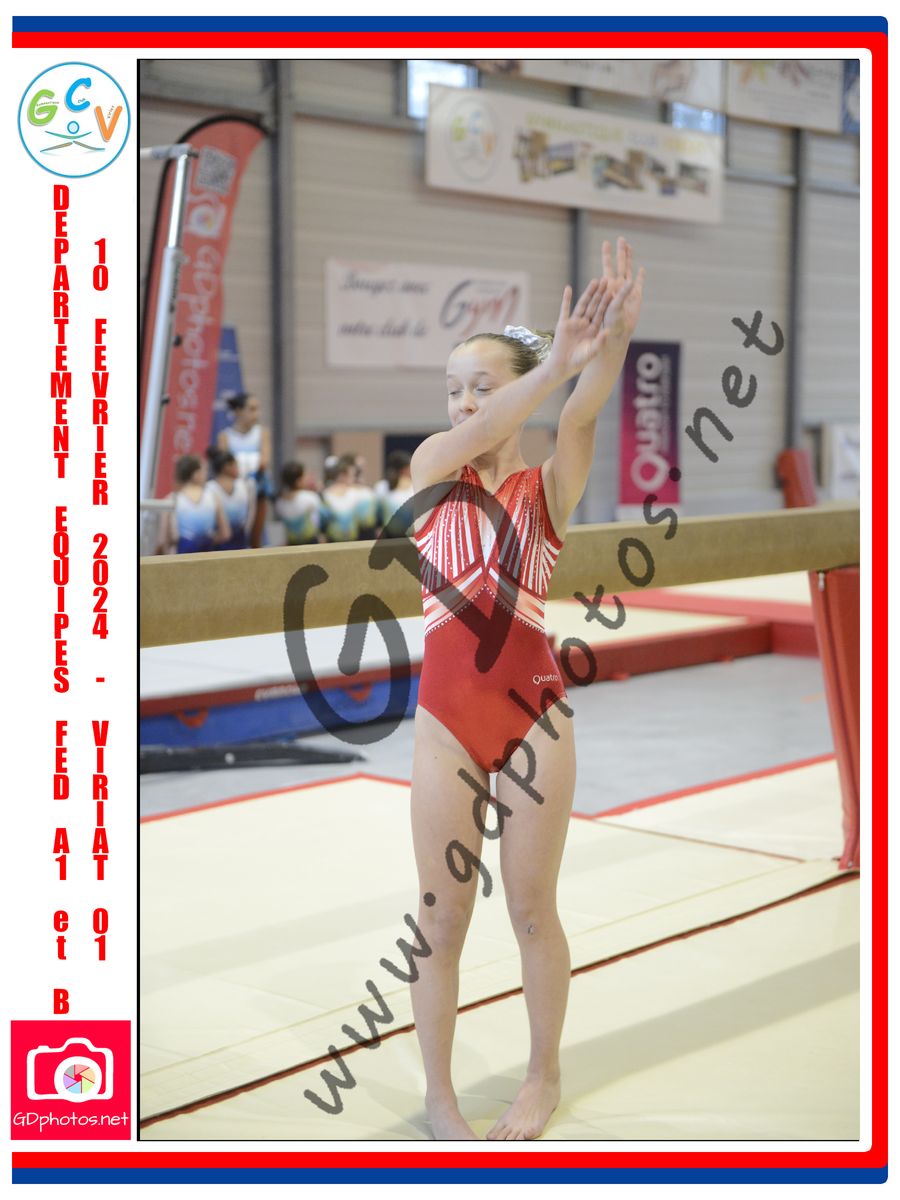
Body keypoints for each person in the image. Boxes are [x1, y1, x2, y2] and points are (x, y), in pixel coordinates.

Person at [408, 238, 645, 1141]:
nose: (465, 403)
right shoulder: (436, 469)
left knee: (531, 910)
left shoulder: (547, 489)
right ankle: (439, 1095)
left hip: (533, 717)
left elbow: (579, 417)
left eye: (481, 385)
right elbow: (489, 427)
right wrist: (552, 366)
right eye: (455, 388)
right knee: (442, 917)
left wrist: (609, 345)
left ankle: (543, 1074)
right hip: (445, 723)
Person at [217, 392, 272, 547]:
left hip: (258, 487)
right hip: (233, 491)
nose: (257, 414)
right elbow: (223, 466)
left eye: (258, 409)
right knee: (233, 534)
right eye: (252, 409)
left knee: (255, 537)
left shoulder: (262, 433)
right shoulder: (225, 436)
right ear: (238, 411)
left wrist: (239, 464)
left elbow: (265, 461)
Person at [158, 454, 230, 554]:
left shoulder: (172, 499)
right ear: (196, 475)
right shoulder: (213, 497)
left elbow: (163, 541)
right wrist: (207, 541)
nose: (206, 474)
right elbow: (225, 534)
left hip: (182, 556)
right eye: (204, 471)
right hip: (207, 554)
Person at [205, 446, 256, 551]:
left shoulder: (244, 485)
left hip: (239, 540)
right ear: (226, 467)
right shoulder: (210, 489)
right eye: (235, 465)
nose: (238, 468)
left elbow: (250, 515)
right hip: (221, 542)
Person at [275, 461, 323, 545]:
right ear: (298, 481)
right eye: (304, 476)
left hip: (291, 543)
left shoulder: (280, 502)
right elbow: (317, 522)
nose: (307, 478)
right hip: (310, 542)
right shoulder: (310, 497)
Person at [374, 449, 415, 534]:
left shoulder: (413, 486)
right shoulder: (382, 486)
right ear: (404, 469)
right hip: (390, 534)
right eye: (410, 466)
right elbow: (377, 514)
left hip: (410, 533)